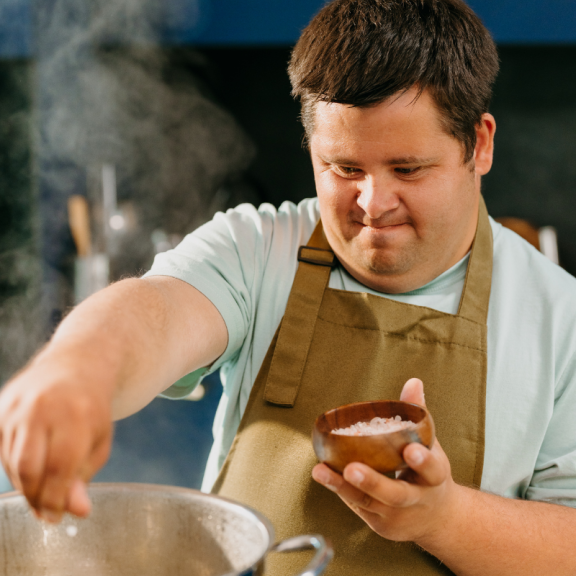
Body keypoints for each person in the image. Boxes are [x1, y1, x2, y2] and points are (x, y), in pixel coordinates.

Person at [1, 0, 576, 573]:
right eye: (344, 168)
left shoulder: (559, 317)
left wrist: (444, 518)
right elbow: (157, 311)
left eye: (407, 169)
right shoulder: (257, 247)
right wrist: (77, 369)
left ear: (479, 144)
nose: (373, 204)